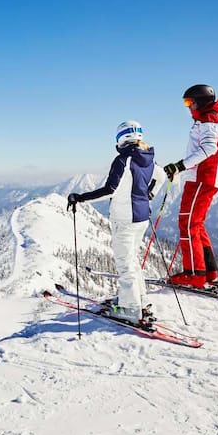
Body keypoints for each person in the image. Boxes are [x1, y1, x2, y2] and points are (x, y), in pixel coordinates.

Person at [68, 120, 165, 325]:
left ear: (121, 138)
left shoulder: (123, 160)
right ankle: (139, 300)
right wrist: (150, 194)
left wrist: (80, 198)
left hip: (125, 218)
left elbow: (110, 189)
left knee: (125, 263)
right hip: (141, 217)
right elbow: (161, 175)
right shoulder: (147, 157)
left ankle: (130, 309)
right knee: (132, 260)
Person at [163, 84, 218, 288]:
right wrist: (217, 171)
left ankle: (194, 274)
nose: (188, 107)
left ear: (201, 101)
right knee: (196, 223)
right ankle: (209, 271)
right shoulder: (217, 119)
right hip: (208, 177)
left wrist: (180, 166)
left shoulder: (208, 119)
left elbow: (210, 148)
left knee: (187, 223)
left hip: (201, 178)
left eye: (189, 102)